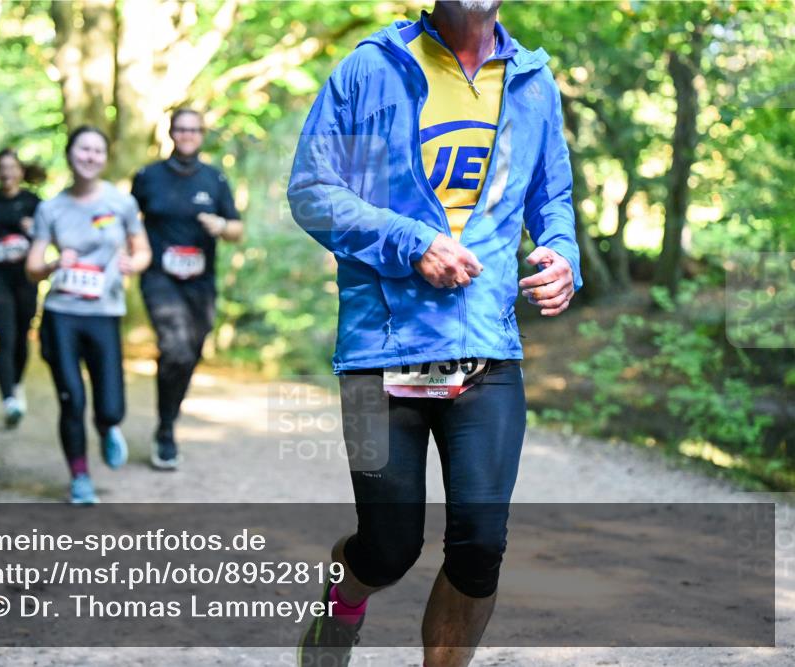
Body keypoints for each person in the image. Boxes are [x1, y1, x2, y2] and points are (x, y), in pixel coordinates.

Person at [287, 2, 582, 666]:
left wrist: (563, 254)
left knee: (480, 546)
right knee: (387, 548)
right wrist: (411, 241)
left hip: (488, 349)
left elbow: (552, 198)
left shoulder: (531, 81)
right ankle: (343, 602)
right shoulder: (371, 69)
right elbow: (313, 190)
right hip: (377, 352)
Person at [27, 126, 152, 504]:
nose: (90, 156)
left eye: (97, 150)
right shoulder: (50, 208)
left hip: (105, 312)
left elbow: (143, 250)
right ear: (69, 153)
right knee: (72, 399)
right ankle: (79, 477)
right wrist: (52, 264)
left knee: (110, 405)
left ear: (105, 157)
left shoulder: (121, 203)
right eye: (83, 149)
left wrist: (134, 263)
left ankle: (108, 427)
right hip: (61, 314)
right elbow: (32, 267)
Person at [131, 108, 243, 470]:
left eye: (193, 129)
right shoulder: (148, 177)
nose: (187, 135)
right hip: (159, 277)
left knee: (189, 353)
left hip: (200, 282)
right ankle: (166, 431)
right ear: (171, 133)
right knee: (175, 347)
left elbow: (237, 230)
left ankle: (168, 416)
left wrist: (221, 226)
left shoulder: (215, 179)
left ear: (202, 134)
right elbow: (127, 222)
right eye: (181, 129)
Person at [0, 149, 41, 427]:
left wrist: (33, 229)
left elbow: (46, 236)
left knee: (21, 337)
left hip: (25, 278)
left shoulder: (33, 202)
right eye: (2, 167)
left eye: (11, 167)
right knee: (5, 336)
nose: (6, 173)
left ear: (20, 172)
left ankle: (16, 385)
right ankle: (9, 402)